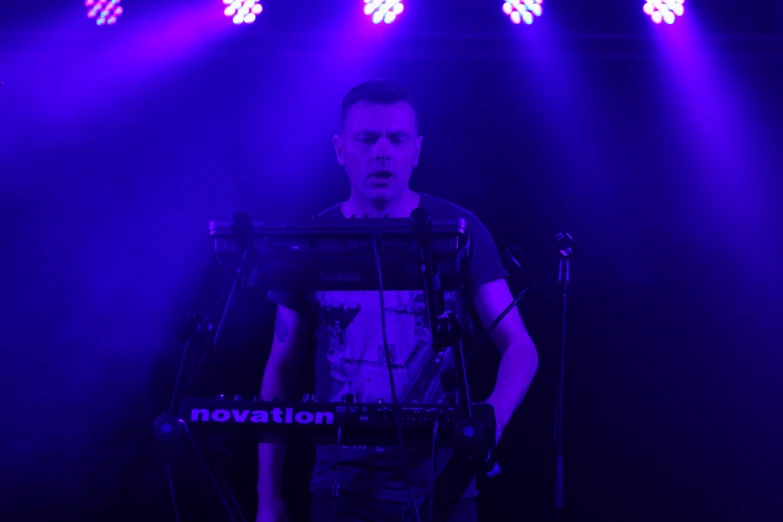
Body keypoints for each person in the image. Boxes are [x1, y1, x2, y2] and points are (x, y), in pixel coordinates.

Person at [256, 79, 538, 522]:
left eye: (397, 138)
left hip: (445, 484)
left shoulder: (458, 229)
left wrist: (492, 421)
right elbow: (281, 365)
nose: (382, 152)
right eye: (367, 139)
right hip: (340, 487)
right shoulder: (311, 241)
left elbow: (520, 346)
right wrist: (267, 498)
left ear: (417, 150)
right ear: (340, 149)